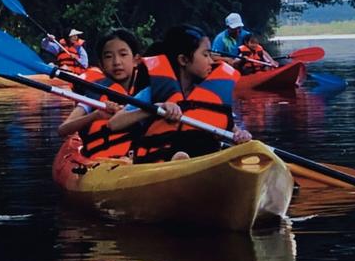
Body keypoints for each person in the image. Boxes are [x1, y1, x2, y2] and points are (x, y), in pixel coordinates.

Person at [107, 24, 251, 163]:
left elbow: (230, 126)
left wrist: (240, 134)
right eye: (205, 55)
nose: (211, 61)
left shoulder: (213, 94)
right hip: (160, 164)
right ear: (183, 60)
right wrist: (155, 108)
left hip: (203, 161)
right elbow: (114, 124)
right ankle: (181, 163)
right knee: (181, 155)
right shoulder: (155, 92)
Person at [58, 28, 148, 158]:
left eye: (123, 54)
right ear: (101, 64)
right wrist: (95, 115)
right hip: (103, 163)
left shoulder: (147, 92)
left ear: (136, 60)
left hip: (140, 157)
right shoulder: (95, 94)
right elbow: (63, 130)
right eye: (108, 57)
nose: (117, 62)